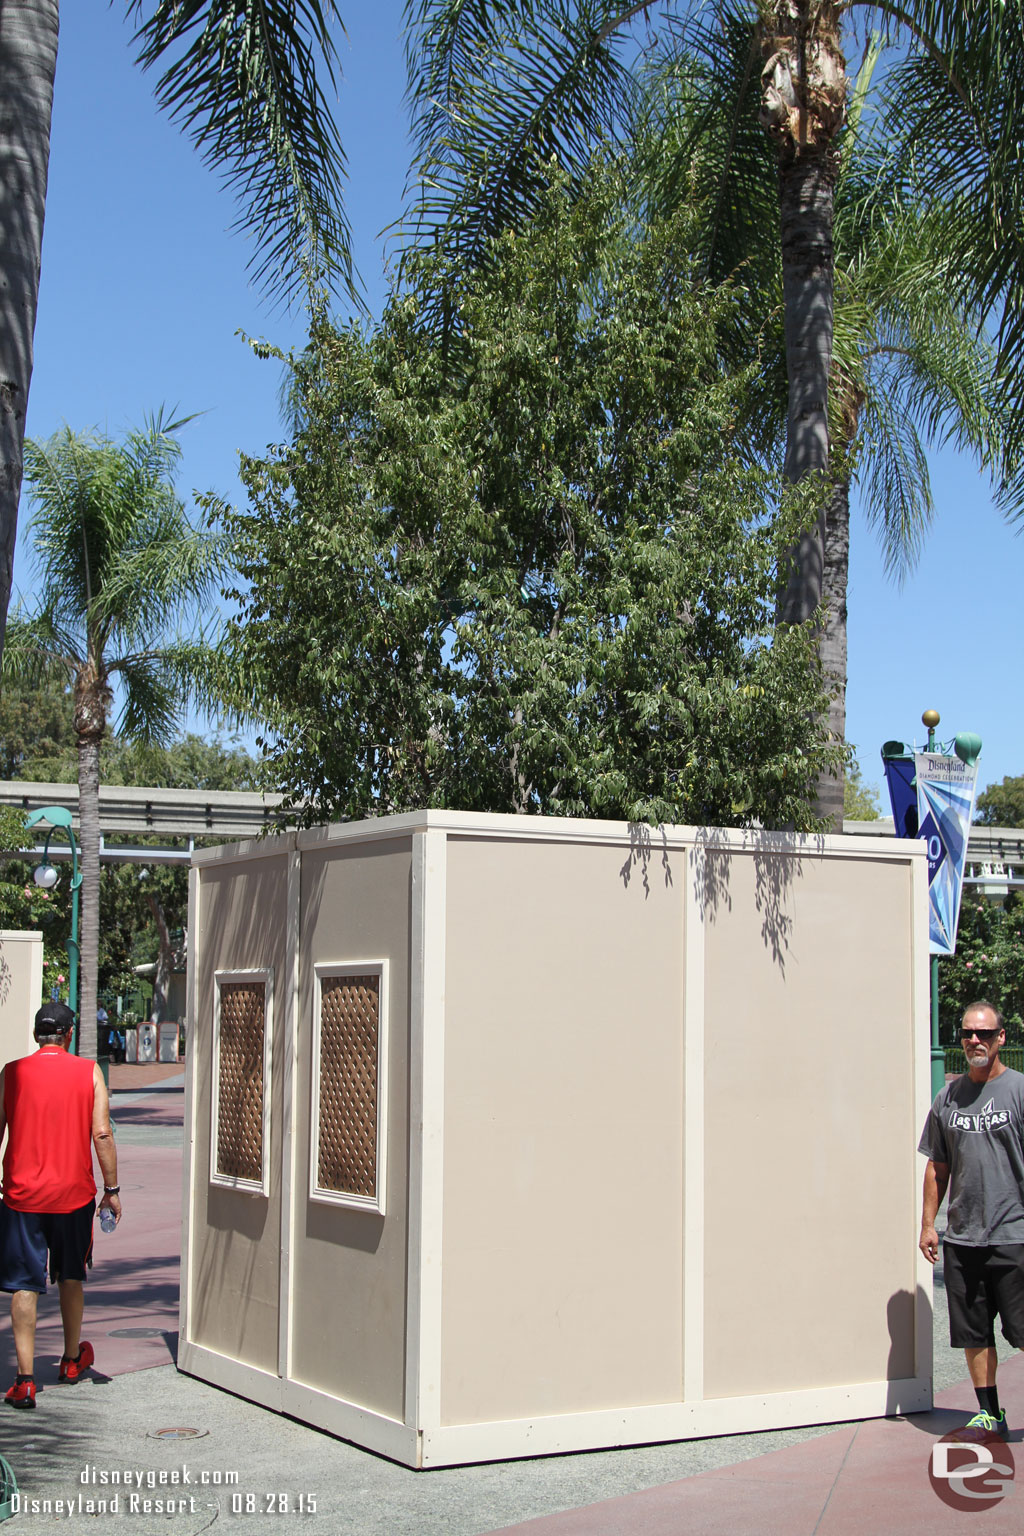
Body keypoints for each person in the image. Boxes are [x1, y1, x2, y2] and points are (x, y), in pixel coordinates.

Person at [0, 1001, 122, 1409]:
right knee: (71, 1275)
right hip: (72, 1197)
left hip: (21, 1198)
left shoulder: (12, 1073)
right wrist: (112, 1188)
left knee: (22, 1283)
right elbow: (101, 1134)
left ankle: (25, 1379)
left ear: (38, 1035)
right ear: (68, 1035)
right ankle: (71, 1361)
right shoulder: (88, 1072)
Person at [919, 999, 1024, 1440]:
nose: (974, 1040)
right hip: (963, 1237)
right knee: (975, 1333)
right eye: (967, 1034)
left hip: (1015, 1235)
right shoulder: (948, 1097)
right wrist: (928, 1224)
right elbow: (937, 1166)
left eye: (983, 1033)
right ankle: (989, 1412)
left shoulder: (1019, 1090)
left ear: (1001, 1037)